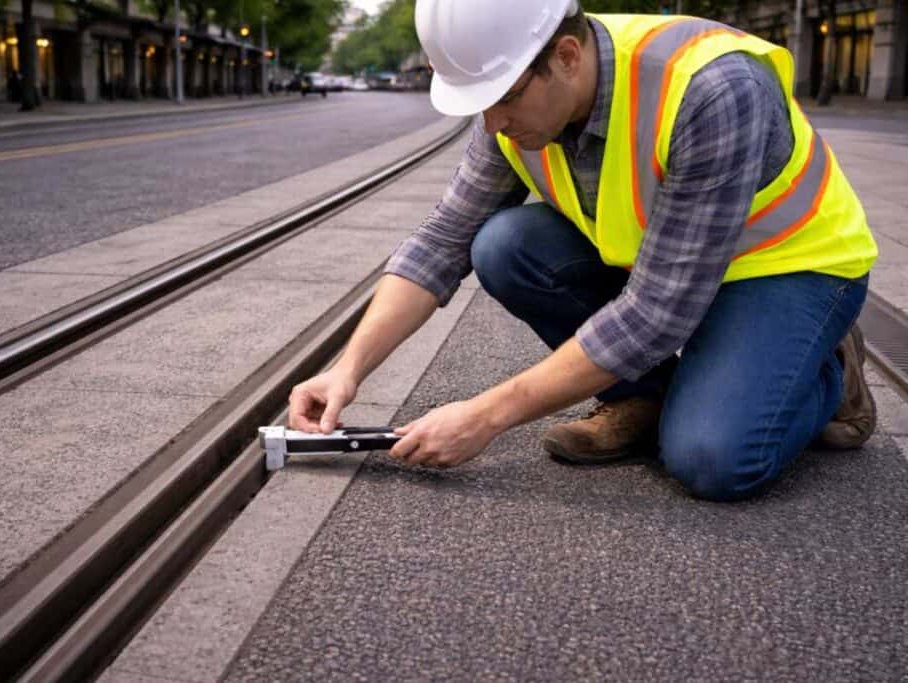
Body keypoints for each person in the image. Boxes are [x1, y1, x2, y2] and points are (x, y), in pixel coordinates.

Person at [287, 0, 878, 501]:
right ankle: (644, 399)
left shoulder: (712, 88)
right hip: (665, 267)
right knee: (503, 244)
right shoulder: (515, 96)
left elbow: (655, 313)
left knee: (712, 459)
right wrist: (347, 369)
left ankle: (826, 373)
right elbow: (444, 239)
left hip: (789, 268)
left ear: (566, 58)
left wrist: (486, 415)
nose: (491, 124)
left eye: (503, 98)